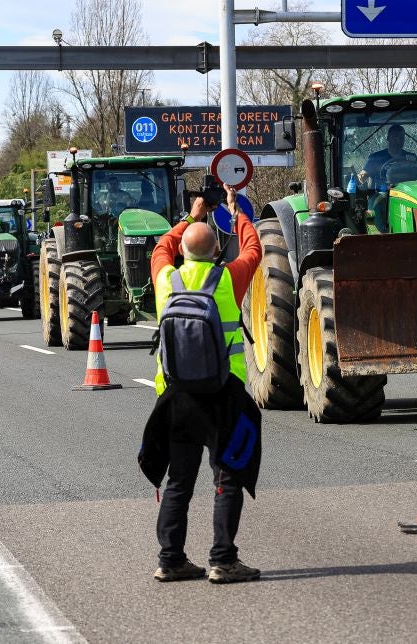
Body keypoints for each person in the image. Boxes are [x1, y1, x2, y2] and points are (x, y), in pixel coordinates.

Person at [143, 183, 263, 584]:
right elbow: (254, 250)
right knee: (226, 476)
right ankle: (223, 560)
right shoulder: (228, 279)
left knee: (179, 480)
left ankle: (171, 559)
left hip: (175, 395)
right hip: (223, 394)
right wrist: (236, 212)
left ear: (183, 253)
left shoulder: (165, 280)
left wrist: (190, 218)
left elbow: (161, 247)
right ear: (215, 251)